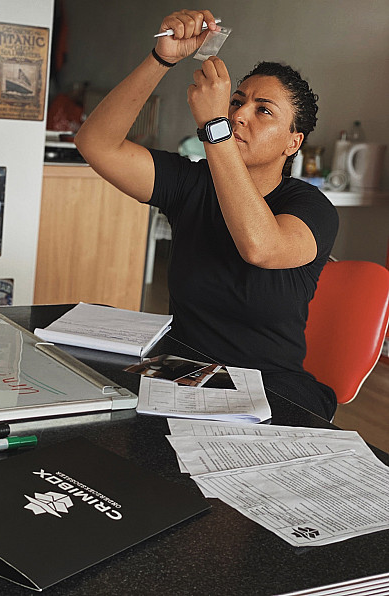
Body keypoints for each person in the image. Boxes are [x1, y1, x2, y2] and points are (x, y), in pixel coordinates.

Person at [75, 9, 339, 420]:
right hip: (183, 372)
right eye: (237, 101)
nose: (239, 115)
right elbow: (96, 144)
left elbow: (260, 246)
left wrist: (215, 126)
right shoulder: (191, 183)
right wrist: (161, 59)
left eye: (263, 110)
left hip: (269, 385)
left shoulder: (311, 208)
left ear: (293, 143)